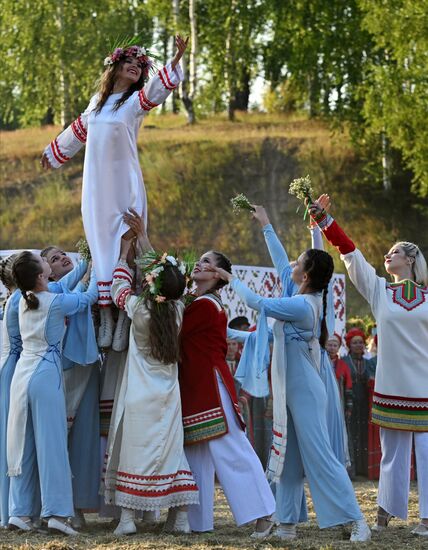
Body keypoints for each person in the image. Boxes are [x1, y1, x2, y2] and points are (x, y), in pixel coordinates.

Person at [210, 206, 371, 543]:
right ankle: (286, 525)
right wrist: (267, 226)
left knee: (320, 456)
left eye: (300, 263)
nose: (292, 266)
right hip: (291, 387)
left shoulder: (304, 305)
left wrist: (230, 279)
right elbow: (281, 264)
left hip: (305, 389)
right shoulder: (299, 295)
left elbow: (256, 303)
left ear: (308, 273)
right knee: (287, 454)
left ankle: (356, 520)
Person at [41, 36, 188, 349]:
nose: (134, 67)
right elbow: (77, 131)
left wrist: (175, 60)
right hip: (96, 187)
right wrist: (53, 154)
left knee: (126, 240)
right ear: (116, 66)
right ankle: (106, 316)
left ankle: (124, 316)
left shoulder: (134, 105)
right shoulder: (96, 103)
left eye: (139, 65)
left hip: (124, 184)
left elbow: (156, 92)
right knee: (101, 245)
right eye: (129, 62)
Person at [309, 194, 428, 536]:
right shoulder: (380, 291)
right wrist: (324, 221)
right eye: (388, 251)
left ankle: (426, 519)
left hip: (424, 385)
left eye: (396, 252)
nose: (388, 254)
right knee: (393, 453)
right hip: (391, 384)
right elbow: (351, 254)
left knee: (426, 451)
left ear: (412, 259)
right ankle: (383, 514)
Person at [102, 218, 198, 535]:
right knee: (170, 450)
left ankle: (128, 519)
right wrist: (144, 237)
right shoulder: (177, 311)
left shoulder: (139, 310)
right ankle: (180, 518)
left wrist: (124, 251)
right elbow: (166, 275)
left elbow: (118, 288)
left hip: (139, 392)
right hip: (169, 394)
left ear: (151, 285)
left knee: (135, 450)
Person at [179, 250, 276, 536]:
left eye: (207, 262)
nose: (200, 263)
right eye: (200, 259)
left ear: (218, 276)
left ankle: (264, 513)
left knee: (231, 448)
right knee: (196, 451)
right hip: (195, 384)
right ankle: (198, 522)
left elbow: (173, 330)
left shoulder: (207, 305)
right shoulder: (196, 302)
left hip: (210, 385)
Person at [7, 251, 97, 535]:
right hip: (46, 376)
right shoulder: (55, 302)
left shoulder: (21, 299)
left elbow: (67, 284)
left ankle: (20, 512)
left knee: (24, 444)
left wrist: (86, 262)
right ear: (41, 275)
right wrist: (98, 269)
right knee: (53, 445)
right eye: (43, 260)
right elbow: (88, 298)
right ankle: (57, 514)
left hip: (22, 375)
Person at [40, 246, 100, 528]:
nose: (63, 257)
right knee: (60, 437)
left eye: (64, 253)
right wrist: (94, 257)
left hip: (86, 365)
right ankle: (55, 507)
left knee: (83, 439)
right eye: (54, 259)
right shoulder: (52, 291)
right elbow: (86, 296)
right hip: (64, 368)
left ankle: (78, 504)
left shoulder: (71, 289)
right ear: (46, 271)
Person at [0, 255, 21, 528]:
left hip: (10, 366)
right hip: (14, 369)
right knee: (11, 440)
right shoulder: (18, 301)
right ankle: (10, 509)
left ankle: (8, 510)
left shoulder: (12, 299)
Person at [342, 328, 376, 478]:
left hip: (364, 402)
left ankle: (364, 468)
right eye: (355, 342)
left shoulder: (368, 363)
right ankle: (352, 470)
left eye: (361, 342)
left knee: (363, 433)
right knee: (351, 433)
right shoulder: (344, 362)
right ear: (349, 344)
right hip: (350, 402)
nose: (358, 345)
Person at [326, 333, 353, 422]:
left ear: (338, 348)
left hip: (339, 402)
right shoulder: (319, 363)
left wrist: (349, 407)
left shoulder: (343, 365)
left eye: (335, 345)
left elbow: (348, 387)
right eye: (329, 345)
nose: (332, 348)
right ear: (325, 345)